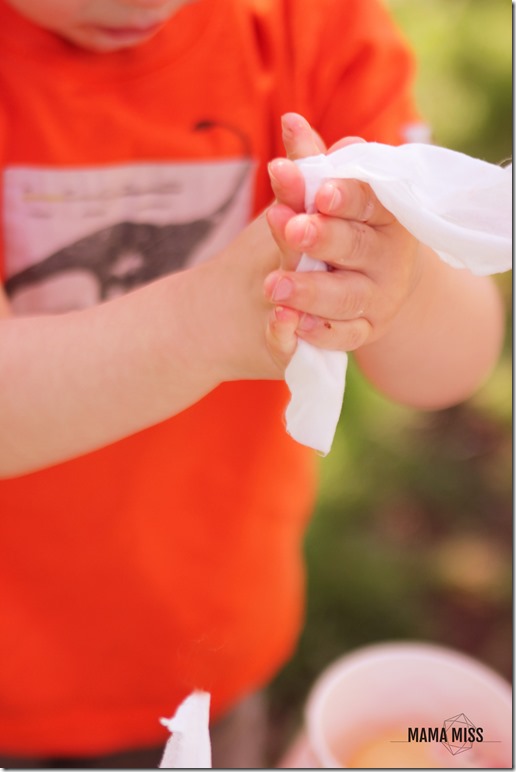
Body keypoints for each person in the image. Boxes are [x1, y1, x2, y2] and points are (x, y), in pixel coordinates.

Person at [0, 0, 504, 767]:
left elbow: (458, 360)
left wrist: (396, 286)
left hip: (202, 653)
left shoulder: (316, 30)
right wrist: (196, 326)